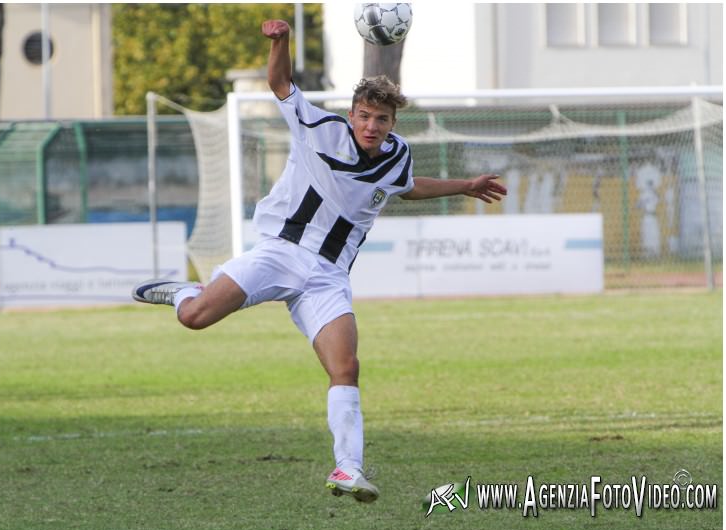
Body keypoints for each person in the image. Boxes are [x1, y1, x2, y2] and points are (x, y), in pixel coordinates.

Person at [133, 19, 507, 504]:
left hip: (327, 278)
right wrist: (281, 42)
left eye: (382, 120)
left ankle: (348, 469)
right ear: (352, 113)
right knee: (195, 317)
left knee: (346, 367)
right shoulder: (319, 126)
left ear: (393, 123)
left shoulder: (397, 155)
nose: (372, 126)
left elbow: (406, 187)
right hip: (278, 253)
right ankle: (181, 292)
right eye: (366, 116)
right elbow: (280, 84)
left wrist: (464, 185)